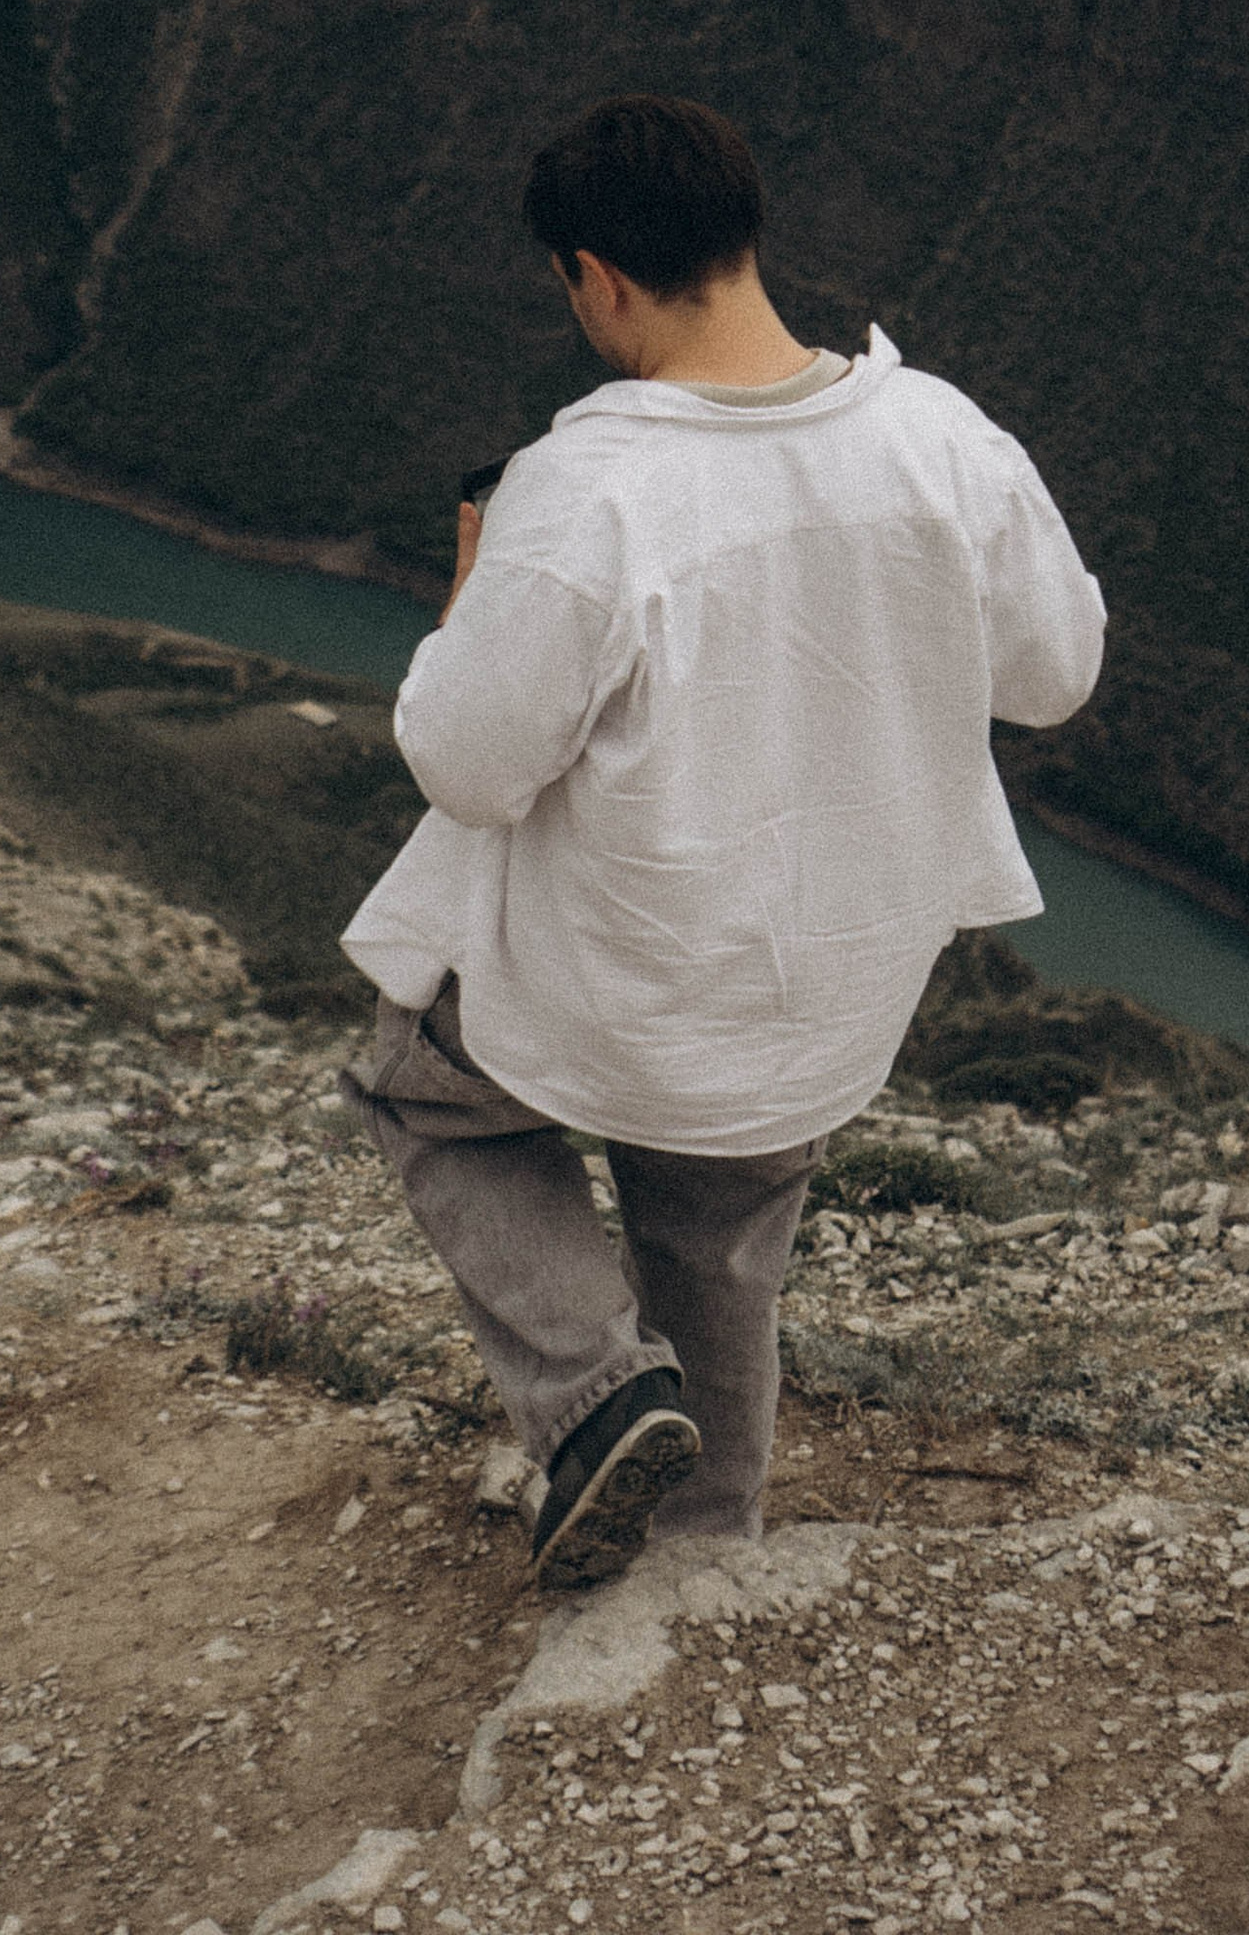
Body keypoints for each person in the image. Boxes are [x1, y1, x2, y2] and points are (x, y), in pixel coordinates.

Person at [338, 94, 1106, 1590]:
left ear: (596, 278)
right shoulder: (942, 437)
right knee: (719, 1230)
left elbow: (471, 766)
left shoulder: (589, 485)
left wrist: (470, 598)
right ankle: (699, 1548)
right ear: (746, 233)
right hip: (830, 982)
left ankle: (592, 1391)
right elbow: (1055, 675)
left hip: (630, 971)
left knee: (422, 1091)